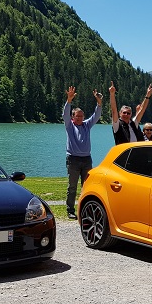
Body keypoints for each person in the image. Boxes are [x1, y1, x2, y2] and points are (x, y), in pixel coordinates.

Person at [62, 85, 103, 219]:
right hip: (73, 159)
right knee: (72, 186)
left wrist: (99, 102)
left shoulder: (87, 125)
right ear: (72, 117)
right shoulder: (69, 126)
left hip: (86, 159)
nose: (79, 118)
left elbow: (96, 116)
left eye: (81, 116)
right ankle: (70, 210)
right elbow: (64, 114)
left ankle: (86, 210)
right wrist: (69, 100)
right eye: (77, 116)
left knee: (87, 186)